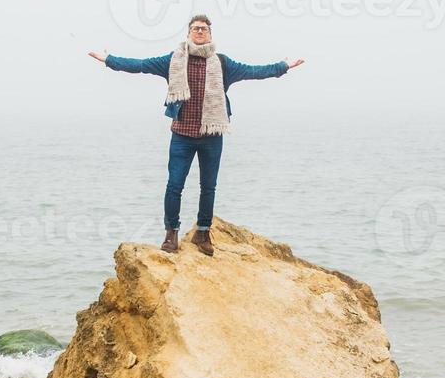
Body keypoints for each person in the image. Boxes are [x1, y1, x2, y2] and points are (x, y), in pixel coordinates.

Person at [88, 15, 304, 255]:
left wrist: (283, 67)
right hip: (182, 135)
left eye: (203, 29)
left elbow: (254, 71)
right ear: (188, 33)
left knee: (208, 187)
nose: (199, 31)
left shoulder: (222, 64)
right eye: (195, 28)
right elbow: (140, 65)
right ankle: (171, 234)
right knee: (174, 185)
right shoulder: (173, 61)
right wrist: (109, 60)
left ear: (210, 34)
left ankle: (203, 233)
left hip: (212, 136)